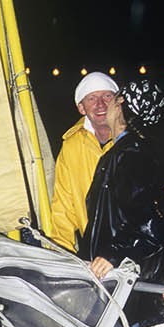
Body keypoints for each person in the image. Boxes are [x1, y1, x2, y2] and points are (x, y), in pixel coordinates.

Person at [82, 77, 164, 326]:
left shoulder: (130, 154)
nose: (106, 104)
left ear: (121, 104)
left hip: (123, 284)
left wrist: (113, 254)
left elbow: (149, 220)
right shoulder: (135, 152)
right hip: (122, 281)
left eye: (112, 98)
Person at [49, 71, 117, 251]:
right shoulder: (72, 147)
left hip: (138, 248)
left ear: (118, 101)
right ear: (81, 108)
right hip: (95, 250)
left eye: (107, 96)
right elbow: (63, 207)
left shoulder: (136, 141)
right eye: (92, 99)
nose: (101, 104)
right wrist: (60, 253)